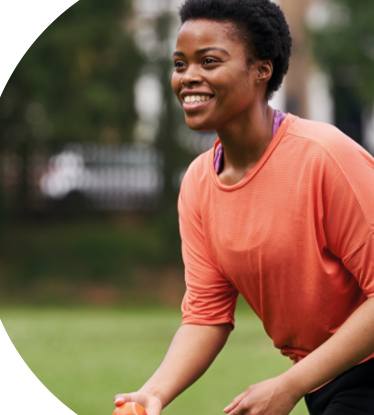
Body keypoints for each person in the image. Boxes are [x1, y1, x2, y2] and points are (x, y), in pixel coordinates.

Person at [113, 0, 374, 414]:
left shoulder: (324, 157)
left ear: (261, 70)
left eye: (209, 61)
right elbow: (206, 314)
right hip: (327, 379)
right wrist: (155, 392)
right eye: (180, 65)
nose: (189, 78)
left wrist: (289, 385)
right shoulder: (199, 184)